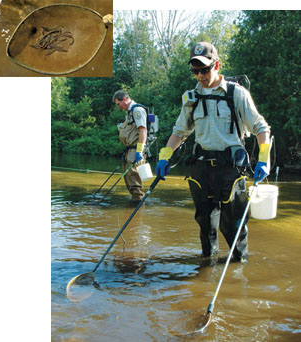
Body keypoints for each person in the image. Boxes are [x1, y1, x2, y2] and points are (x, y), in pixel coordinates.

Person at [156, 42, 271, 262]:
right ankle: (207, 267)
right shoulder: (191, 98)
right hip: (201, 169)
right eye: (195, 71)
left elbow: (261, 127)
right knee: (205, 224)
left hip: (231, 169)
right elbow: (179, 132)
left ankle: (239, 266)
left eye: (205, 69)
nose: (200, 75)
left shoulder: (236, 94)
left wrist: (264, 160)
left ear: (216, 64)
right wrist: (164, 157)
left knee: (234, 226)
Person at [113, 90, 148, 202]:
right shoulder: (129, 112)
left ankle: (138, 204)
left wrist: (139, 151)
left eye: (118, 104)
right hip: (129, 150)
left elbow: (143, 131)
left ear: (124, 99)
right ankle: (135, 201)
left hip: (135, 150)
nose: (118, 107)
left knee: (134, 178)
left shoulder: (137, 110)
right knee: (129, 178)